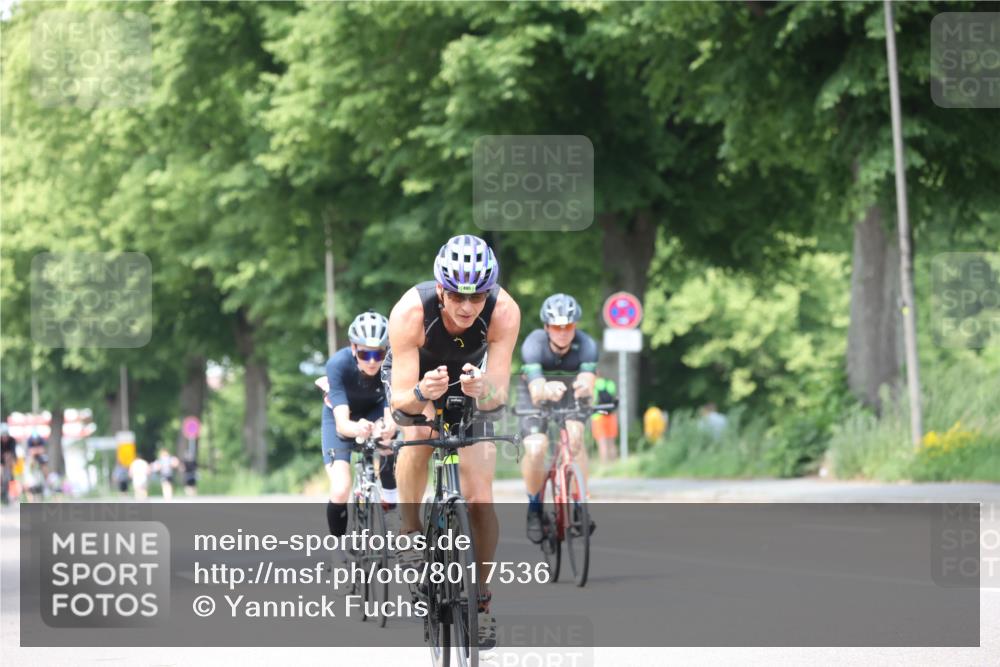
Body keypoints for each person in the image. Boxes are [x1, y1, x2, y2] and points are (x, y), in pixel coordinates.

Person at [383, 234, 520, 649]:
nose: (466, 308)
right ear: (440, 289)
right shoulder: (410, 312)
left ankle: (480, 602)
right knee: (419, 433)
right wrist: (424, 392)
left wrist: (485, 391)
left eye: (476, 297)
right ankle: (409, 530)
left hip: (469, 381)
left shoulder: (504, 311)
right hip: (419, 381)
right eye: (457, 296)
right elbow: (400, 402)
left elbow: (499, 395)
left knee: (480, 495)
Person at [517, 293, 598, 544]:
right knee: (536, 447)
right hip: (536, 395)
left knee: (575, 437)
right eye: (556, 327)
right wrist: (546, 389)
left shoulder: (587, 345)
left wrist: (584, 387)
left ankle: (579, 504)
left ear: (575, 326)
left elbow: (587, 379)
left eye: (568, 327)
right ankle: (534, 507)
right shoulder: (534, 344)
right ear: (546, 327)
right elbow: (536, 388)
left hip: (571, 394)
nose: (562, 332)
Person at [320, 310, 398, 557]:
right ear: (353, 348)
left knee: (388, 442)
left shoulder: (392, 365)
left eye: (379, 353)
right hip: (341, 417)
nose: (373, 361)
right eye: (365, 353)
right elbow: (343, 424)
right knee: (341, 487)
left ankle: (390, 505)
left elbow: (392, 417)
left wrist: (385, 429)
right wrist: (359, 428)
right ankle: (339, 548)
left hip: (376, 410)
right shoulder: (338, 365)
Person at [592, 377, 619, 463]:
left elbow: (593, 400)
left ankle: (604, 466)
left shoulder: (593, 384)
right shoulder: (610, 383)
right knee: (611, 442)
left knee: (602, 443)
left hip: (599, 415)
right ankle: (613, 465)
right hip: (610, 415)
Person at [1, 424, 16, 505]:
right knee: (1, 473)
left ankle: (11, 492)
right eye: (3, 436)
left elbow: (12, 453)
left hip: (9, 460)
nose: (4, 438)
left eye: (6, 436)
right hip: (2, 461)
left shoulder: (12, 440)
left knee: (10, 475)